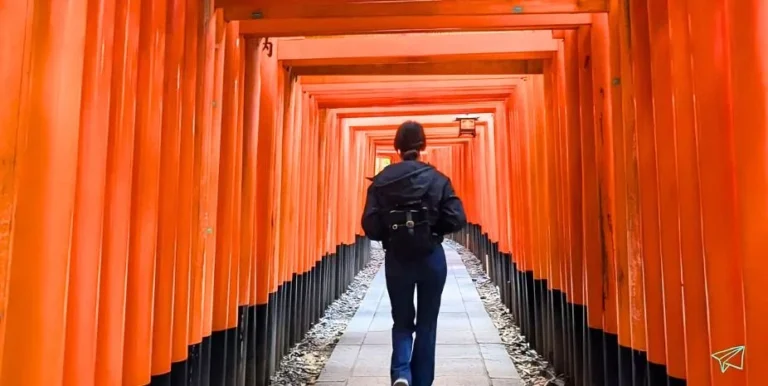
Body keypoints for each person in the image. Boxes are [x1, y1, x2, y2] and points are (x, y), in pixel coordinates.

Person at [361, 121, 467, 386]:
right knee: (427, 323)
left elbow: (370, 225)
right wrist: (432, 230)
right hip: (431, 258)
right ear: (423, 146)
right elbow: (457, 218)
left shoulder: (382, 181)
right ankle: (421, 382)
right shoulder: (438, 179)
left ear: (396, 147)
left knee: (402, 320)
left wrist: (391, 234)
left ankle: (401, 373)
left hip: (398, 259)